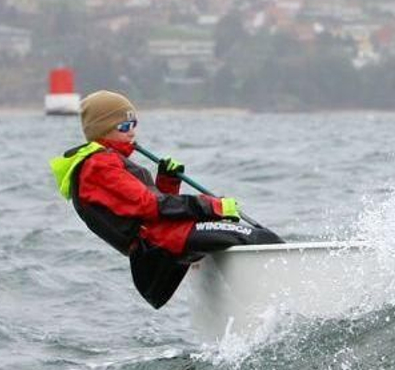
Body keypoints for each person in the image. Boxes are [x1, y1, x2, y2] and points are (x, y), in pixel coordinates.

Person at [48, 90, 282, 308]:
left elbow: (144, 207)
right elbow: (148, 206)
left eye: (134, 124)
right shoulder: (99, 165)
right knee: (260, 237)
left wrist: (167, 183)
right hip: (159, 245)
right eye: (124, 126)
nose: (132, 132)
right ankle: (285, 294)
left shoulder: (106, 161)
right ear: (102, 130)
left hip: (160, 245)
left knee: (236, 231)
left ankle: (257, 302)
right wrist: (211, 206)